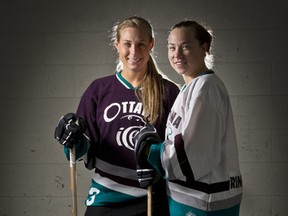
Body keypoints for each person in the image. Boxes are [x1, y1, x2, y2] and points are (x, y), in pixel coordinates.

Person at [54, 16, 179, 216]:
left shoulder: (169, 92)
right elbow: (83, 150)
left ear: (151, 45)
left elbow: (177, 149)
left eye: (141, 44)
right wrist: (71, 140)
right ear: (117, 45)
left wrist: (157, 164)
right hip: (106, 196)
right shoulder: (98, 90)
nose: (134, 52)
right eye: (127, 44)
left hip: (150, 196)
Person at [133, 20, 243, 216]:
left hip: (205, 201)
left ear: (204, 48)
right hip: (191, 198)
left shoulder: (205, 88)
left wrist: (153, 151)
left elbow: (194, 153)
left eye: (185, 47)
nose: (177, 55)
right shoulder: (190, 87)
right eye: (172, 47)